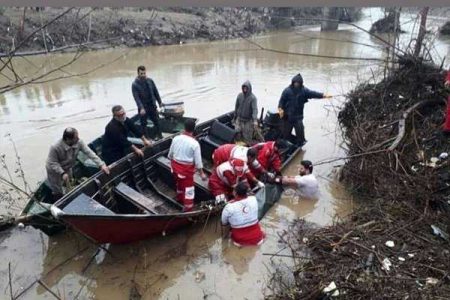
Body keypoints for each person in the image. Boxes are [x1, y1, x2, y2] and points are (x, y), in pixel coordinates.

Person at [46, 128, 110, 200]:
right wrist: (62, 173)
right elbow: (52, 162)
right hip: (54, 170)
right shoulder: (55, 147)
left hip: (68, 166)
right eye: (75, 138)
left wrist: (101, 164)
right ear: (67, 139)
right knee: (57, 190)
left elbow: (90, 153)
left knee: (70, 183)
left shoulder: (79, 142)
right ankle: (58, 201)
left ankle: (70, 197)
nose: (78, 139)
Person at [278, 73, 332, 147]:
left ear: (300, 83)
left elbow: (313, 94)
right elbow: (281, 101)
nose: (296, 84)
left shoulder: (304, 91)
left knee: (301, 137)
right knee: (285, 135)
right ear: (293, 82)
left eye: (298, 83)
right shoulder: (287, 91)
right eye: (295, 83)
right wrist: (280, 109)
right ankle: (285, 146)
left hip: (298, 118)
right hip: (288, 117)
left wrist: (323, 95)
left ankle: (299, 145)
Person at [168, 119, 207, 212]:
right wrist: (202, 174)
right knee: (189, 190)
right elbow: (198, 162)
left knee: (179, 185)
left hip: (174, 169)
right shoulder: (195, 144)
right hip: (185, 172)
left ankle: (179, 198)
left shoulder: (176, 138)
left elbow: (170, 155)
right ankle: (188, 208)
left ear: (184, 128)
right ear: (193, 130)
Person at [221, 181, 265, 247]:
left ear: (234, 192)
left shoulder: (228, 206)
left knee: (227, 225)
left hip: (239, 241)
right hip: (258, 238)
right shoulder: (253, 199)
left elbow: (224, 223)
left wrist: (225, 236)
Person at [132, 65, 164, 140]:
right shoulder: (135, 85)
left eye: (144, 73)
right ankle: (147, 138)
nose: (143, 75)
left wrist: (160, 102)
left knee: (156, 121)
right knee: (143, 124)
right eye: (141, 73)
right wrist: (141, 108)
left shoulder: (150, 81)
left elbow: (156, 92)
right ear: (138, 73)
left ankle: (159, 135)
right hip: (143, 107)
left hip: (152, 105)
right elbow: (136, 98)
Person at [234, 80, 260, 145]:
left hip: (248, 121)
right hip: (239, 119)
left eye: (246, 88)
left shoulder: (253, 98)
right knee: (237, 134)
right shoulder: (239, 96)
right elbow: (236, 106)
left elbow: (255, 110)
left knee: (247, 137)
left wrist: (255, 120)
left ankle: (248, 148)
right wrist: (235, 116)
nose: (245, 89)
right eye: (244, 88)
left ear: (249, 88)